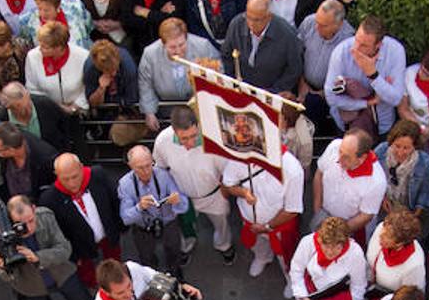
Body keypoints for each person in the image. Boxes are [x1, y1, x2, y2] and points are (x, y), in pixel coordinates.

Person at [152, 107, 232, 264]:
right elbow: (159, 168)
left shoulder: (214, 137)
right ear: (173, 131)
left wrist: (225, 191)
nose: (190, 143)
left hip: (214, 194)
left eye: (193, 136)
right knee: (184, 226)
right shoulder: (163, 141)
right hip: (184, 197)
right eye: (184, 139)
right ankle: (187, 246)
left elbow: (227, 171)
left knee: (221, 223)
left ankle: (224, 245)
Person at [221, 138, 304, 278]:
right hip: (249, 222)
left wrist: (267, 226)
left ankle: (290, 277)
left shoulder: (292, 169)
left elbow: (292, 210)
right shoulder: (239, 156)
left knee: (286, 256)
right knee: (258, 246)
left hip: (278, 228)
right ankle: (262, 257)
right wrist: (243, 193)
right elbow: (228, 185)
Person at [322, 15, 405, 137]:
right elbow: (331, 96)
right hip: (348, 124)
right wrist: (367, 103)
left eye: (364, 45)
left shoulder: (395, 51)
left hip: (381, 126)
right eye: (357, 40)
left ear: (378, 45)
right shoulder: (341, 52)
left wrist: (373, 75)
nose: (355, 48)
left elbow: (396, 99)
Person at [137, 18, 219, 132]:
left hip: (200, 110)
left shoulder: (203, 46)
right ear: (163, 44)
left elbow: (219, 72)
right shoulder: (150, 54)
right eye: (172, 47)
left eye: (181, 44)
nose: (179, 51)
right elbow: (145, 84)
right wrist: (149, 112)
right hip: (167, 113)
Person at [118, 145, 188, 275]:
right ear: (130, 166)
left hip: (168, 222)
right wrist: (139, 207)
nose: (146, 171)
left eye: (149, 165)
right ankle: (151, 276)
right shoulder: (125, 184)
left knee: (174, 250)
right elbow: (126, 219)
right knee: (146, 256)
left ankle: (175, 273)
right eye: (140, 167)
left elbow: (184, 207)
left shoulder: (164, 175)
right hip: (143, 227)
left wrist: (177, 201)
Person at [222, 0, 302, 93]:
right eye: (248, 17)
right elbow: (226, 55)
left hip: (270, 94)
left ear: (269, 17)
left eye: (256, 20)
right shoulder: (237, 24)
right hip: (239, 90)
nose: (250, 23)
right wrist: (232, 82)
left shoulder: (287, 35)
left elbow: (294, 69)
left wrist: (274, 91)